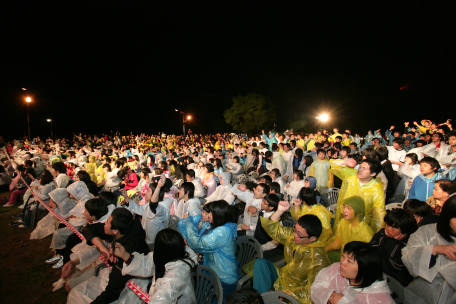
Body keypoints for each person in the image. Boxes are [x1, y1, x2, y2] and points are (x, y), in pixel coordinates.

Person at [250, 201, 330, 304]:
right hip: (283, 278)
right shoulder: (293, 236)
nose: (295, 235)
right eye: (295, 230)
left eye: (299, 234)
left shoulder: (319, 259)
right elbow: (271, 227)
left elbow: (313, 291)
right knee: (260, 263)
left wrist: (287, 293)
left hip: (296, 292)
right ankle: (261, 300)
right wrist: (279, 211)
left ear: (313, 238)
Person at [67, 208, 150, 304]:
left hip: (128, 288)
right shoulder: (126, 229)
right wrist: (102, 247)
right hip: (114, 275)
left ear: (115, 231)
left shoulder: (125, 253)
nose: (104, 224)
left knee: (77, 294)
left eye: (107, 222)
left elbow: (113, 292)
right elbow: (88, 229)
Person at [113, 229, 198, 303]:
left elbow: (163, 297)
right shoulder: (170, 255)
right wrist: (124, 254)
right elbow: (146, 264)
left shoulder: (178, 273)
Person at [179, 200, 240, 301]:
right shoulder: (224, 227)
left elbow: (198, 243)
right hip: (217, 273)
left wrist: (189, 223)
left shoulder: (222, 232)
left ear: (218, 214)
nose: (208, 215)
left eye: (211, 213)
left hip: (224, 279)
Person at [401, 196, 456, 303]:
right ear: (448, 215)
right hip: (421, 297)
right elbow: (408, 258)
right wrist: (433, 250)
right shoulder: (427, 232)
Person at [311, 241, 395, 304]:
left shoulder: (380, 299)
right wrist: (329, 295)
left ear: (364, 268)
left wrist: (344, 301)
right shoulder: (336, 268)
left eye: (349, 261)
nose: (343, 262)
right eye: (343, 256)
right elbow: (317, 286)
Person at [330, 158, 386, 233]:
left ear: (373, 174)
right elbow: (332, 164)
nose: (360, 170)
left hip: (361, 226)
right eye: (360, 167)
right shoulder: (351, 176)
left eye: (364, 168)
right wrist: (346, 163)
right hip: (344, 219)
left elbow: (379, 215)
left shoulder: (376, 190)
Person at [370, 209, 418, 286]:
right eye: (388, 224)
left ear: (405, 230)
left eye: (395, 227)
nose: (389, 229)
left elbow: (394, 266)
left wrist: (393, 242)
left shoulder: (408, 244)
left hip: (396, 284)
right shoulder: (382, 233)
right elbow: (372, 251)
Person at [325, 196, 374, 263]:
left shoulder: (365, 233)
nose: (344, 210)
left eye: (348, 208)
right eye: (344, 207)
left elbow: (364, 259)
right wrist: (326, 249)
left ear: (359, 212)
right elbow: (339, 240)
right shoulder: (343, 222)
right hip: (344, 257)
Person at [123, 178, 169, 248]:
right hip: (147, 240)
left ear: (154, 194)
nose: (145, 192)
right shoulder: (148, 205)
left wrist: (158, 187)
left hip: (156, 243)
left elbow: (154, 206)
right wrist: (126, 197)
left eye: (148, 191)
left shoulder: (161, 208)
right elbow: (137, 208)